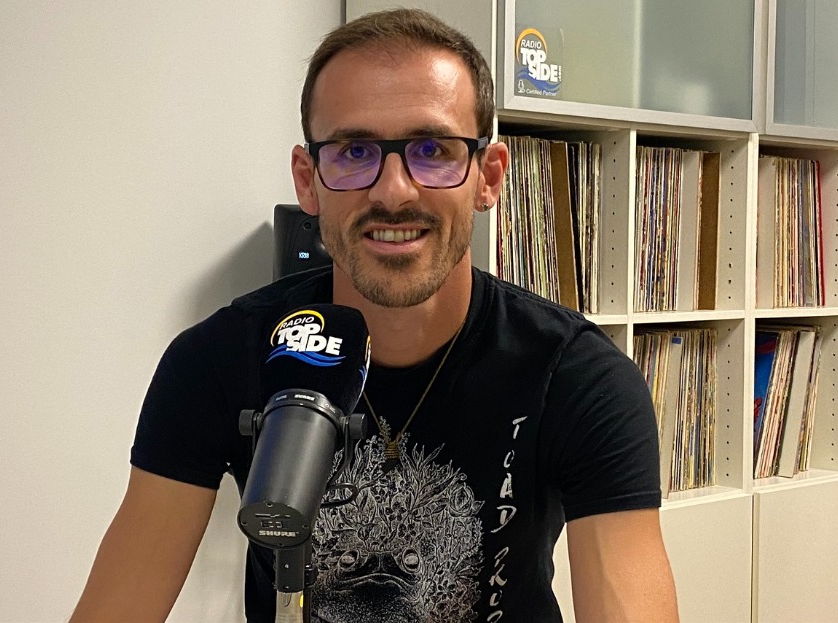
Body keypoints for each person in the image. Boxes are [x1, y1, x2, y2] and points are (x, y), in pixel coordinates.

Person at [71, 8, 679, 622]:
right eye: (355, 151)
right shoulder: (218, 360)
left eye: (433, 150)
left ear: (488, 177)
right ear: (308, 181)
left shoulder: (578, 377)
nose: (393, 191)